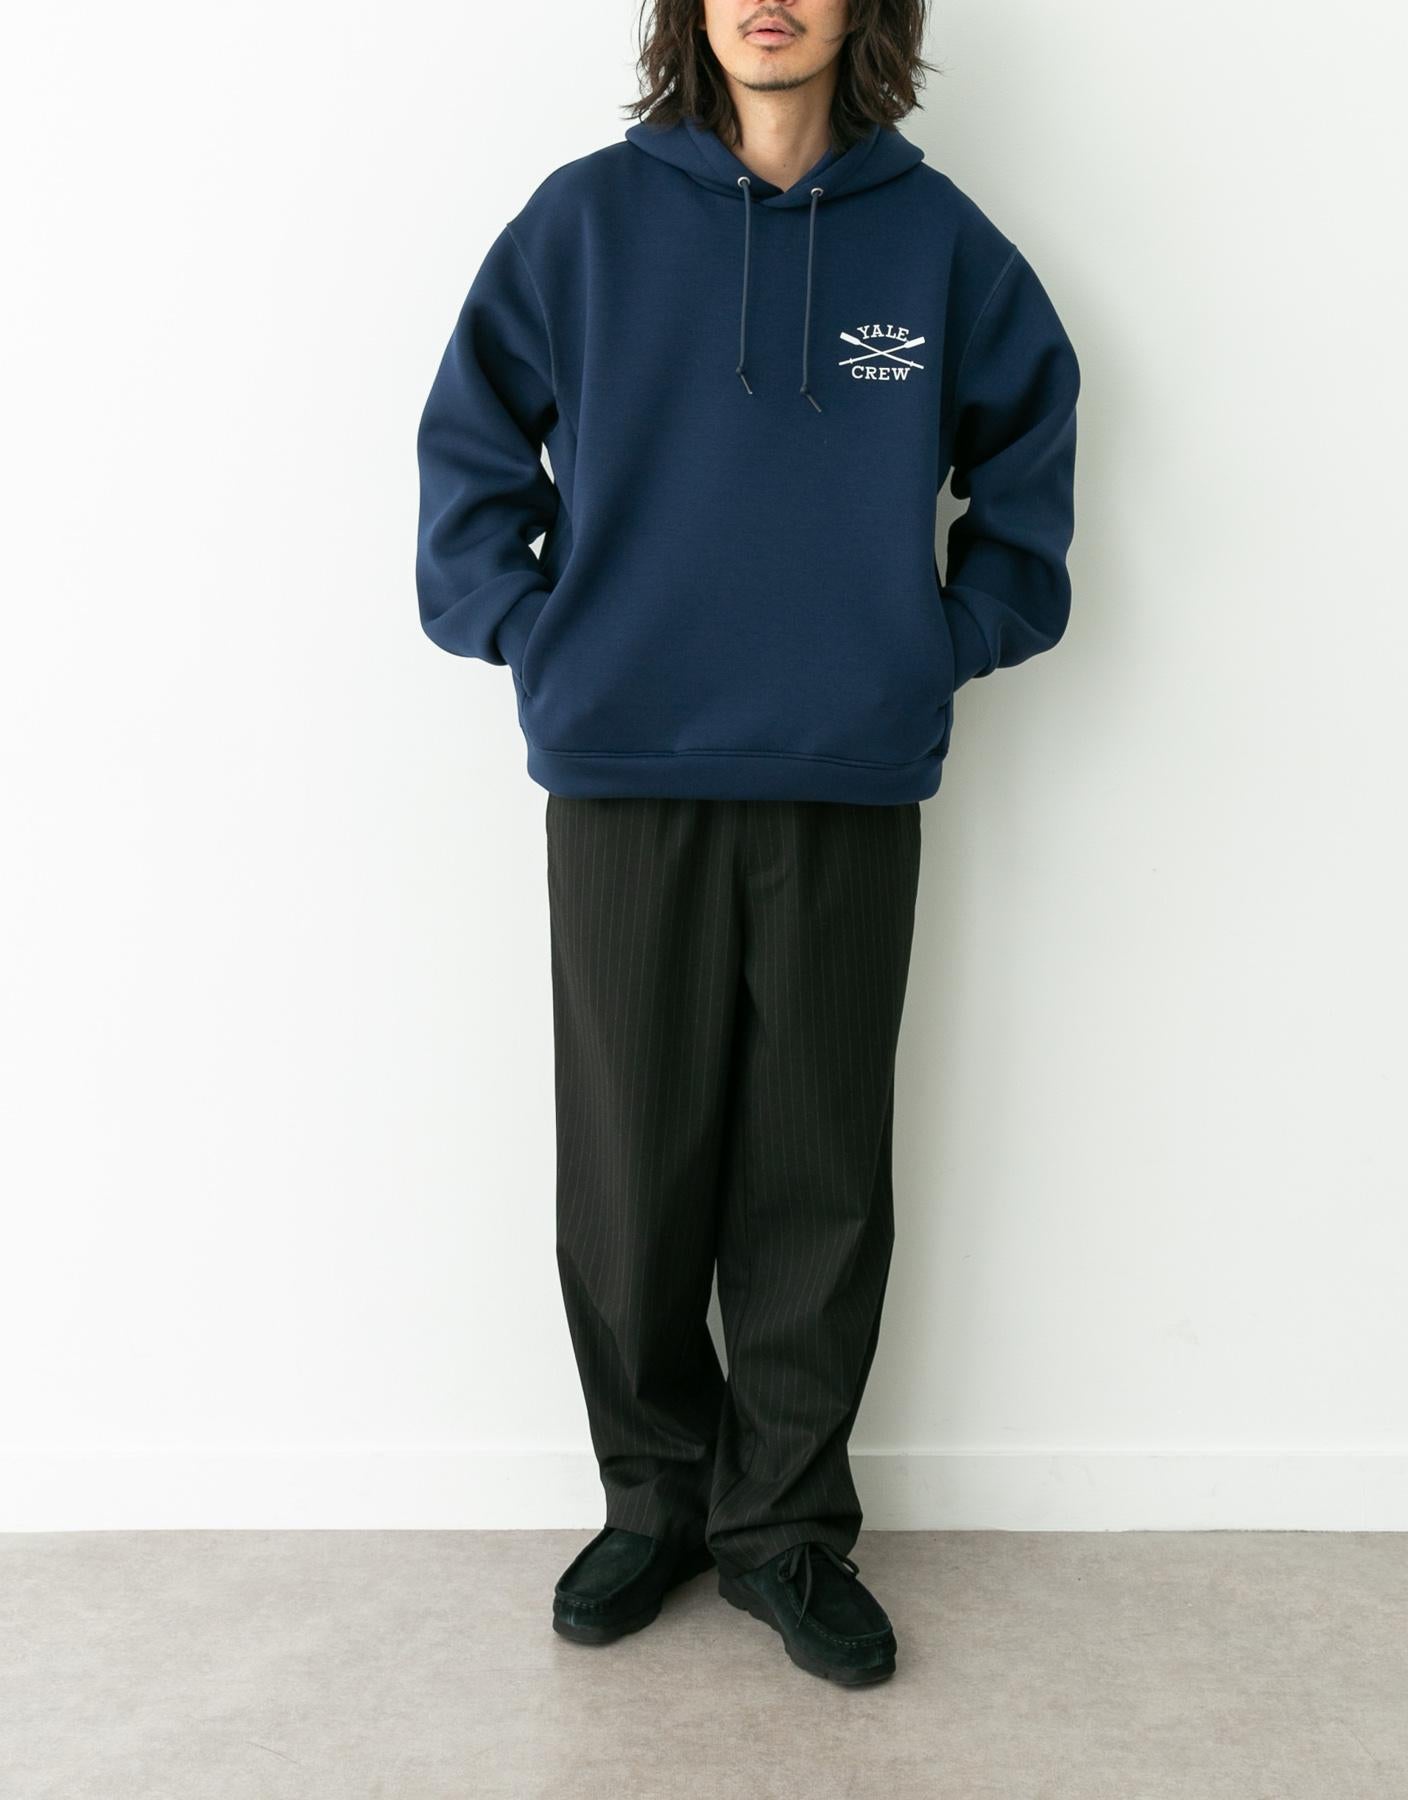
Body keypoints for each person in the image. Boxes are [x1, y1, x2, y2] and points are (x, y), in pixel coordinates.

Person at [414, 0, 1080, 1688]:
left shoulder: (936, 241)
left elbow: (1031, 452)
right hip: (622, 767)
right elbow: (469, 447)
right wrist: (536, 635)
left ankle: (783, 1529)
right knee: (629, 1167)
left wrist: (942, 640)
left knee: (819, 1172)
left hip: (847, 771)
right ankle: (654, 1499)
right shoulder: (582, 223)